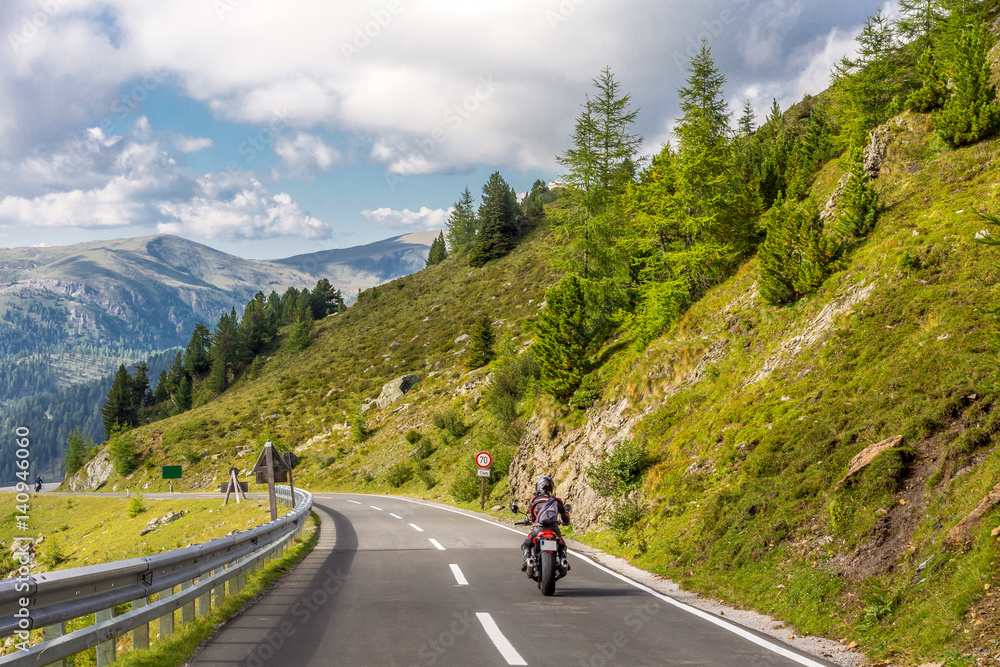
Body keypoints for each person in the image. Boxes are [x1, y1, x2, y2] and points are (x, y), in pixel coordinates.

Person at [520, 475, 570, 570]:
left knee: (526, 544)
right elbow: (565, 517)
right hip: (554, 529)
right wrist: (565, 521)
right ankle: (563, 559)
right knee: (562, 545)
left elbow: (533, 517)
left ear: (538, 487)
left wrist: (529, 521)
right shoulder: (556, 500)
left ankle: (528, 559)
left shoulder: (534, 500)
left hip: (538, 528)